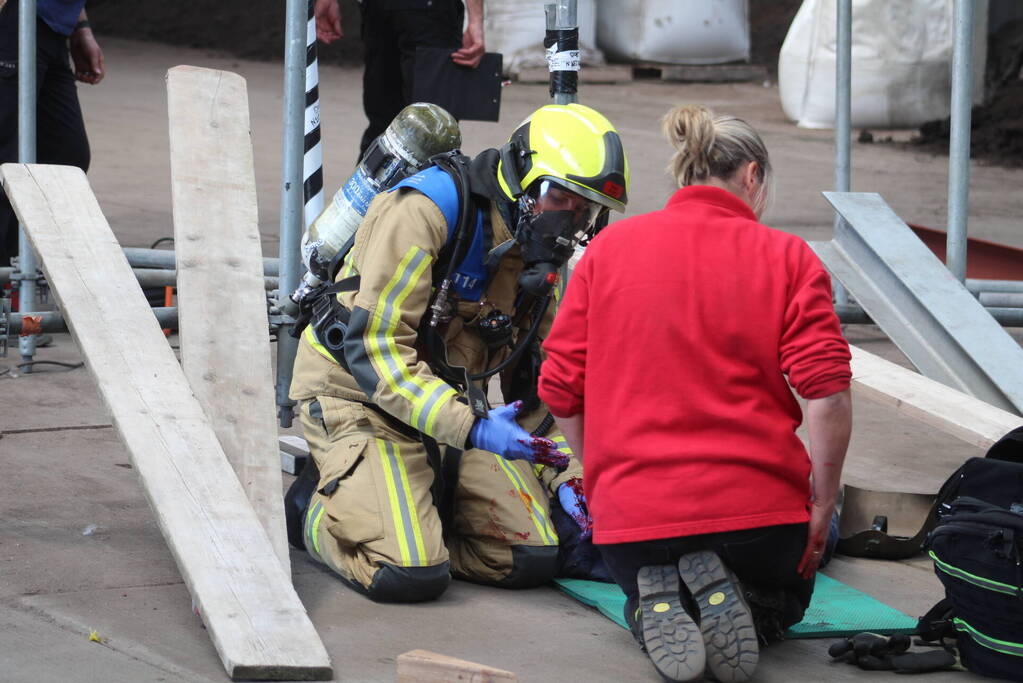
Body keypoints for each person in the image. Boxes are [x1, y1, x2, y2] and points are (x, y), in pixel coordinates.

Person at [538, 104, 852, 683]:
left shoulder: (607, 253)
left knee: (648, 560)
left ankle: (653, 603)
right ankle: (752, 605)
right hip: (755, 516)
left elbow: (558, 385)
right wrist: (823, 504)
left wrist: (602, 476)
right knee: (817, 535)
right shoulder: (789, 258)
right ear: (752, 177)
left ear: (683, 171)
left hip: (635, 521)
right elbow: (827, 393)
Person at [284, 102, 629, 602]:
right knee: (409, 572)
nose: (569, 220)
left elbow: (548, 389)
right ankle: (313, 509)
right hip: (356, 399)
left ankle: (405, 504)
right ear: (522, 177)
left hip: (445, 413)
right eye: (560, 197)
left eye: (586, 209)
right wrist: (473, 427)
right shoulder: (426, 209)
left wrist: (572, 477)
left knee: (528, 556)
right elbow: (376, 354)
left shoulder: (535, 262)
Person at [0, 0, 104, 267]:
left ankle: (16, 272)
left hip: (50, 25)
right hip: (13, 17)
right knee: (8, 158)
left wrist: (80, 28)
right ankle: (8, 279)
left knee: (65, 158)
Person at [313, 0, 485, 157]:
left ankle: (371, 188)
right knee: (433, 128)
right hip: (429, 13)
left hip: (379, 9)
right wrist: (476, 19)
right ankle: (420, 187)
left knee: (386, 126)